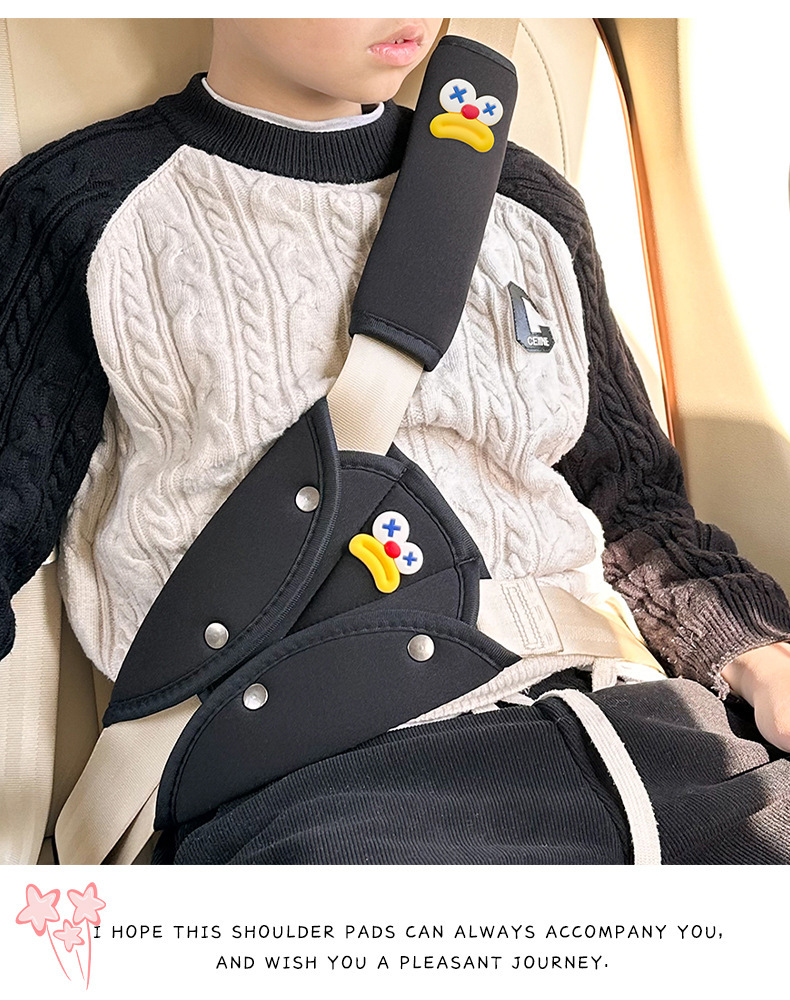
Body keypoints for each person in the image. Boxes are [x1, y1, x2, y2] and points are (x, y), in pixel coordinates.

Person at [2, 18, 790, 864]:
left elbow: (628, 504)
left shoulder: (527, 201)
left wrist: (753, 651)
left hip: (650, 728)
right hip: (322, 787)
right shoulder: (82, 208)